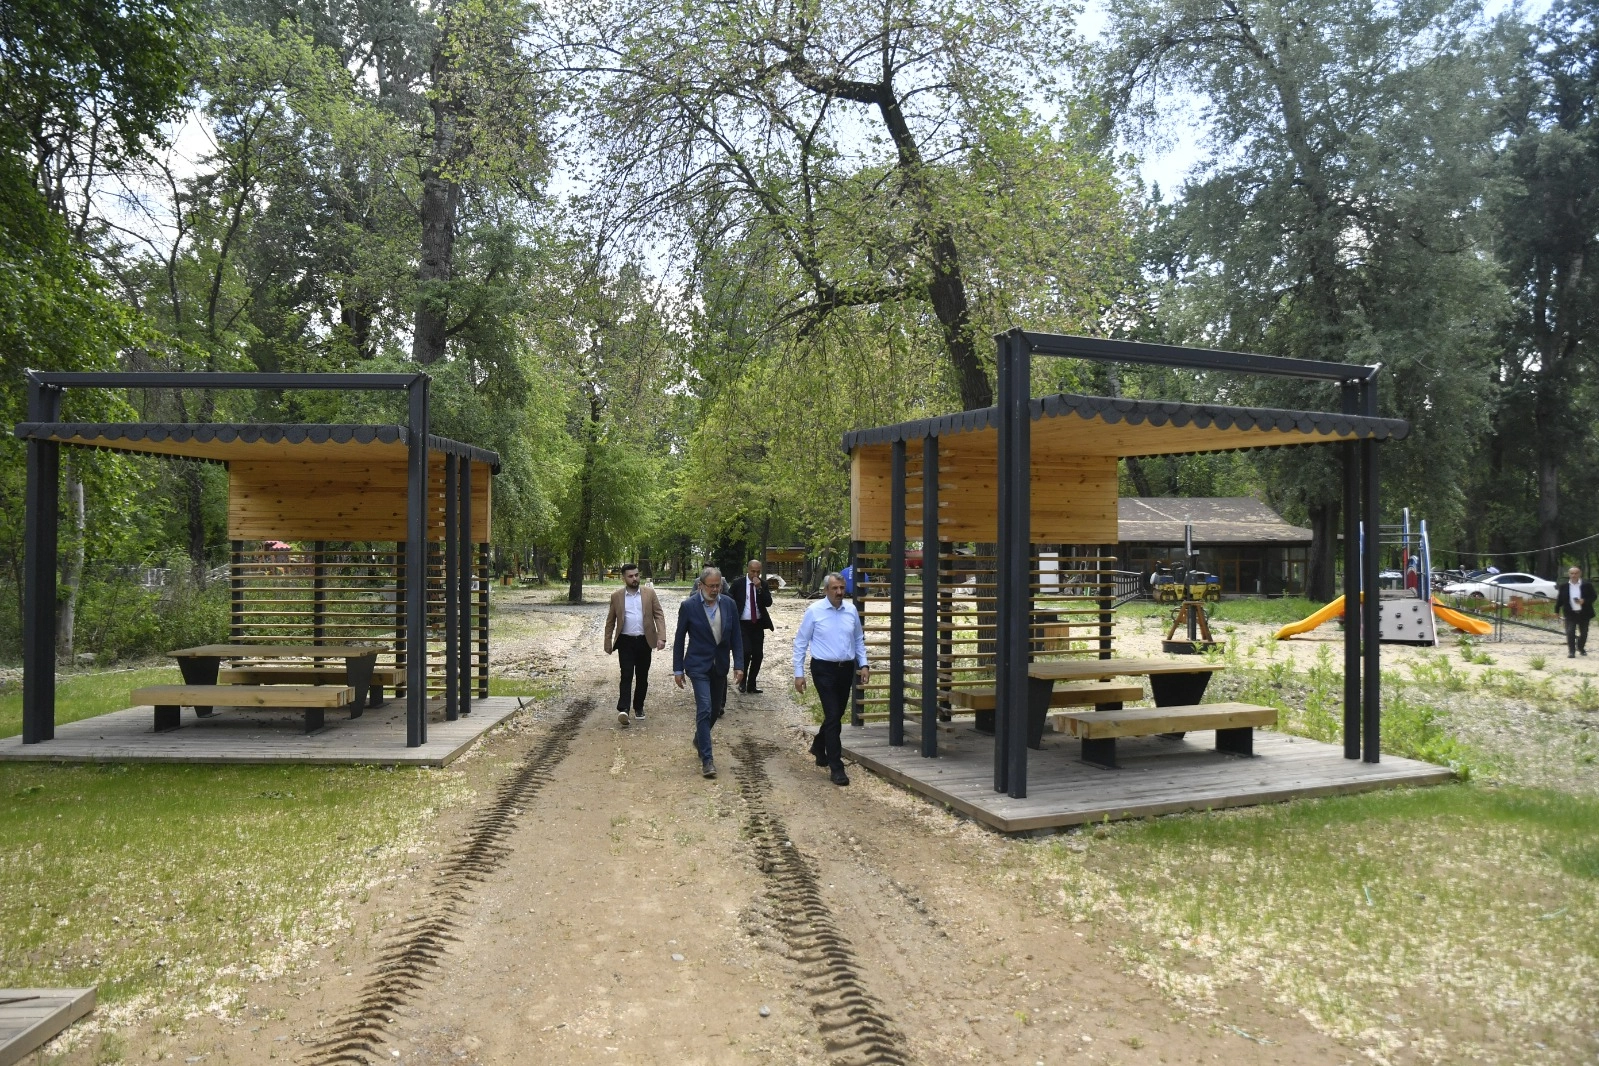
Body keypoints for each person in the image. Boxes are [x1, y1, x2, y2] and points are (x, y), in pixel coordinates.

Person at [792, 572, 869, 786]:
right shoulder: (814, 611)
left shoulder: (851, 611)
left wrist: (864, 664)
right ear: (826, 590)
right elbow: (801, 642)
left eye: (842, 588)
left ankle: (819, 745)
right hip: (823, 669)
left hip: (846, 669)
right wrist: (799, 673)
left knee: (836, 714)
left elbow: (858, 640)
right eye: (834, 588)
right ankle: (836, 767)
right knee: (834, 715)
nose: (839, 592)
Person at [673, 567, 745, 778]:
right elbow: (679, 639)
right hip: (697, 665)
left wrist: (739, 664)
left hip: (719, 665)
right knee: (704, 708)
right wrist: (678, 669)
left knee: (714, 710)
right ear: (700, 586)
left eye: (718, 585)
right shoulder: (689, 606)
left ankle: (699, 738)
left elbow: (736, 637)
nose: (715, 590)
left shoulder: (729, 604)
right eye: (711, 586)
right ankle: (707, 760)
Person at [603, 563, 666, 727]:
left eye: (636, 575)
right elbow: (610, 621)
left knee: (642, 676)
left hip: (645, 640)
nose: (635, 578)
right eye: (630, 576)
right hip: (625, 641)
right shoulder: (616, 596)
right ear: (623, 578)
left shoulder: (649, 593)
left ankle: (639, 706)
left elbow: (659, 614)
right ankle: (624, 709)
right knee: (626, 674)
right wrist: (607, 641)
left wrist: (662, 637)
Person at [729, 559, 774, 694]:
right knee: (746, 651)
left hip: (757, 624)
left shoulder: (763, 584)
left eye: (758, 572)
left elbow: (768, 603)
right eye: (752, 571)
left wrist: (759, 588)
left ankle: (752, 684)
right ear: (747, 570)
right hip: (742, 624)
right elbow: (729, 599)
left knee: (758, 655)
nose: (755, 574)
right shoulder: (738, 584)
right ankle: (742, 681)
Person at [1556, 565, 1596, 659]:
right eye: (1572, 573)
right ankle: (1571, 651)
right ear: (1569, 574)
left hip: (1584, 612)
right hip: (1570, 613)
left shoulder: (1587, 585)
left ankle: (1580, 647)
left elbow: (1594, 596)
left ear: (1580, 574)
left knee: (1584, 633)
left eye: (1576, 573)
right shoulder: (1564, 586)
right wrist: (1556, 610)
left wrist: (1584, 601)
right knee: (1570, 632)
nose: (1574, 575)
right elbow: (1560, 599)